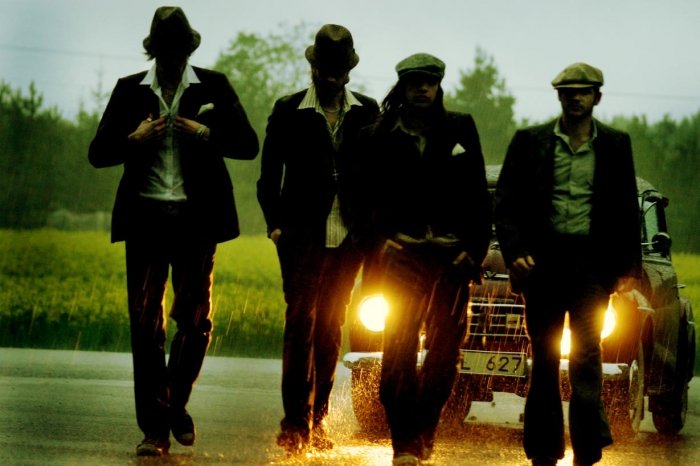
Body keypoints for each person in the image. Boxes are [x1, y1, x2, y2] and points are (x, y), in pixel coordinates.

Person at [88, 6, 258, 457]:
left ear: (188, 50)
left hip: (196, 223)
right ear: (154, 51)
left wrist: (205, 133)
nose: (172, 59)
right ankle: (155, 429)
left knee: (194, 321)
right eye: (164, 51)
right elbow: (98, 153)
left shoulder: (213, 86)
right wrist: (132, 140)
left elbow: (248, 145)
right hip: (145, 221)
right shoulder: (129, 90)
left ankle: (174, 404)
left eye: (178, 51)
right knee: (145, 325)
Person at [494, 63, 642, 466]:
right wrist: (515, 251)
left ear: (597, 97)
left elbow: (625, 208)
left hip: (592, 267)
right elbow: (506, 202)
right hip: (543, 265)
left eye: (583, 91)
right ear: (559, 96)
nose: (575, 98)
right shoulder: (530, 142)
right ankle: (544, 451)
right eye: (568, 92)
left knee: (586, 355)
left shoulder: (615, 144)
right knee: (544, 358)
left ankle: (588, 448)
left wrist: (628, 268)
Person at [359, 53, 491, 466]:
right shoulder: (378, 134)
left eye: (429, 82)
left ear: (438, 87)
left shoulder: (459, 127)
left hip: (452, 257)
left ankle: (424, 429)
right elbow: (360, 197)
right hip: (403, 254)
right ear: (403, 86)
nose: (422, 89)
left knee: (445, 353)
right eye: (415, 82)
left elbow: (478, 193)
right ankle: (404, 442)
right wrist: (379, 244)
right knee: (397, 349)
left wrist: (473, 250)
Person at [256, 24, 379, 454]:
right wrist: (275, 225)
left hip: (347, 238)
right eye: (325, 69)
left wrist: (368, 231)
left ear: (348, 71)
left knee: (329, 329)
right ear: (314, 68)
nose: (331, 76)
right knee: (300, 324)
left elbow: (378, 174)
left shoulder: (367, 112)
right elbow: (269, 175)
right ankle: (294, 423)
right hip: (300, 236)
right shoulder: (289, 110)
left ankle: (319, 417)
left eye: (338, 70)